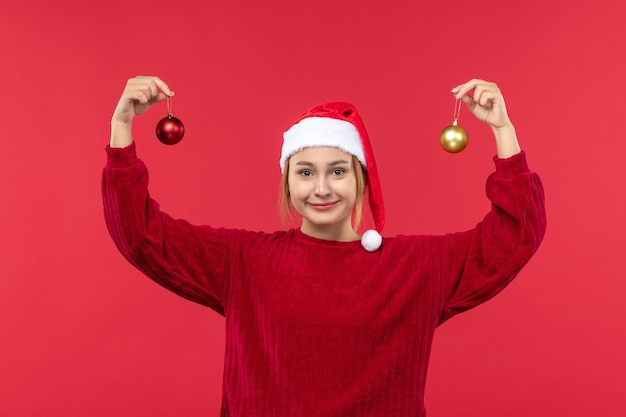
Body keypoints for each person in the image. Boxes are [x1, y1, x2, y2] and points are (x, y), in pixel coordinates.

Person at [102, 76, 546, 416]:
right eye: (305, 172)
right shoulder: (244, 261)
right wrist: (121, 127)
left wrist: (503, 130)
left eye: (337, 171)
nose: (321, 188)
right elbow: (141, 236)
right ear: (287, 181)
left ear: (361, 180)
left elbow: (514, 237)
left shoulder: (416, 267)